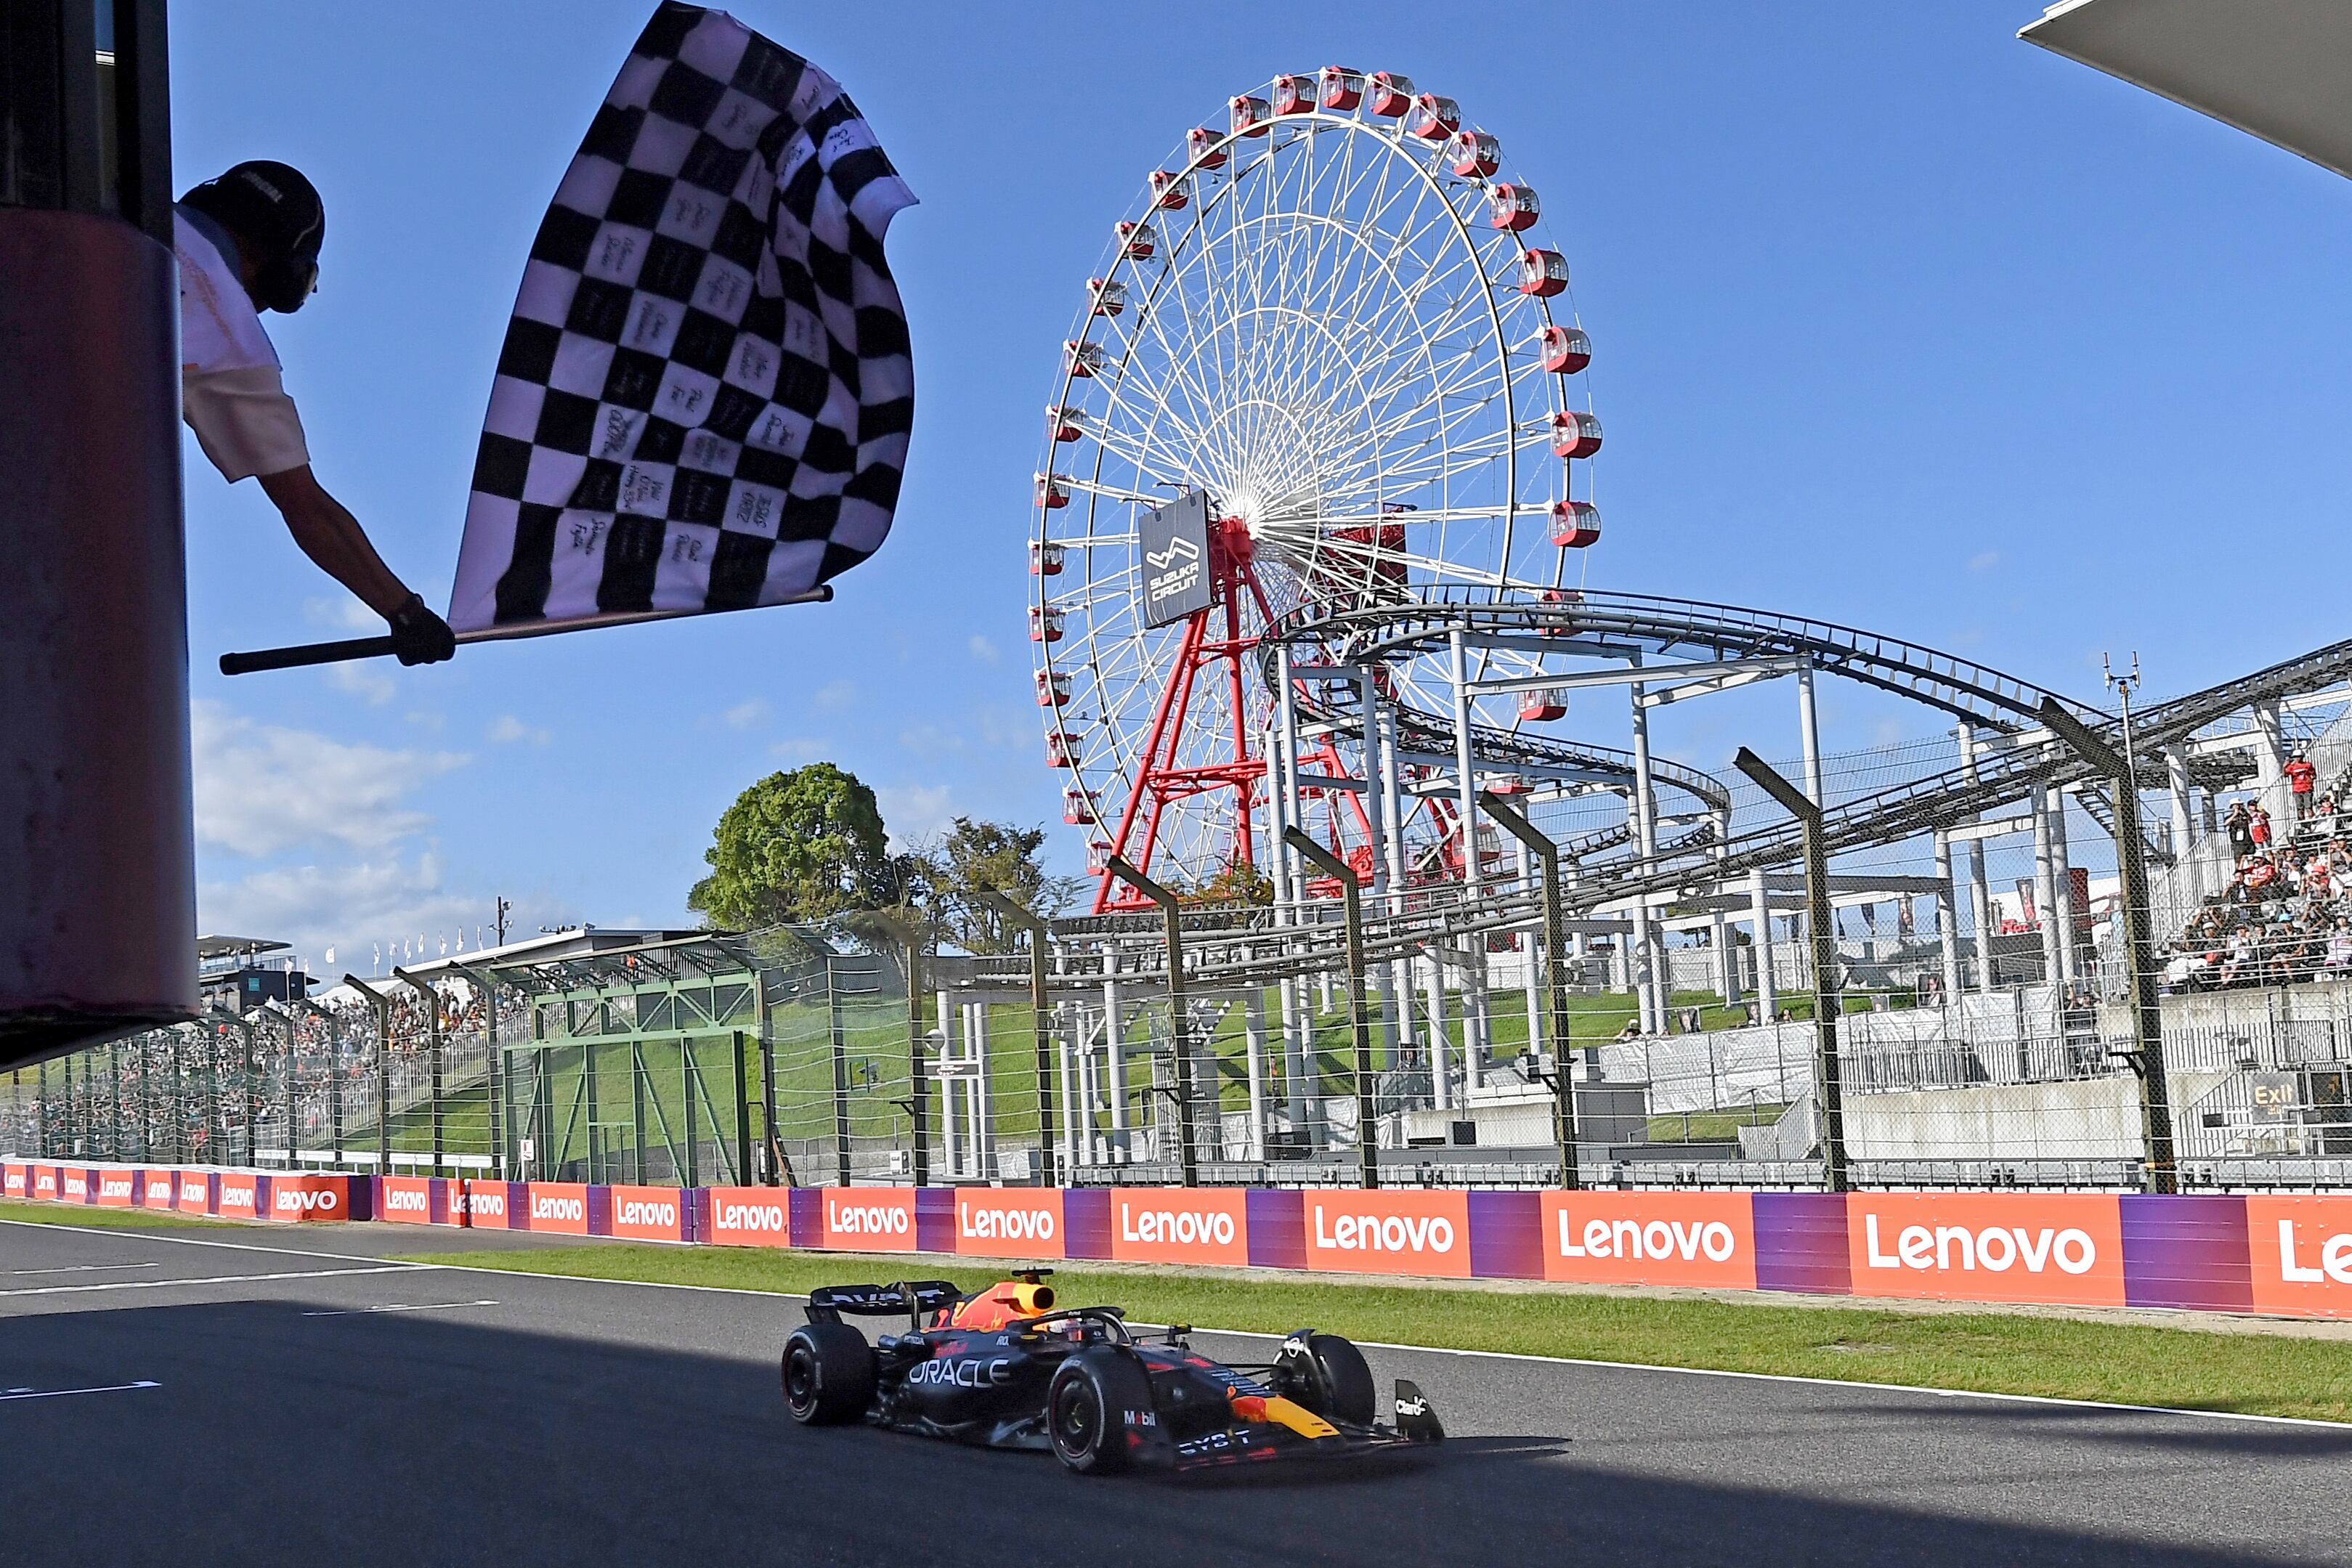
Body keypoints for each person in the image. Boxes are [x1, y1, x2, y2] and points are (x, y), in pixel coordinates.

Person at [175, 161, 453, 665]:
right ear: (284, 272)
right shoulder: (229, 339)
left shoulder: (117, 212)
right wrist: (405, 612)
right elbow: (307, 509)